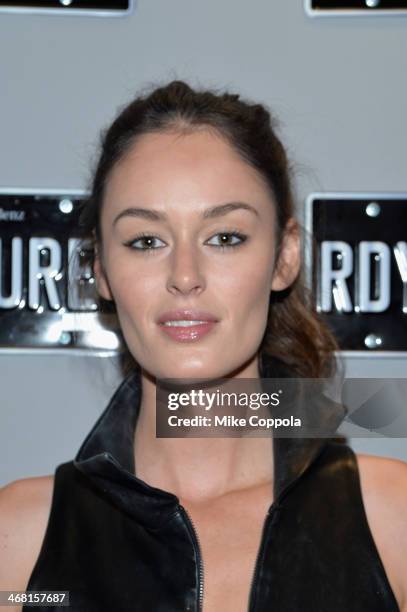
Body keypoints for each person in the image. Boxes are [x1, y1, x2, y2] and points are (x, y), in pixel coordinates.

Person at [1, 80, 406, 612]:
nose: (185, 276)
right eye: (146, 241)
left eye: (225, 237)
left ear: (284, 256)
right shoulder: (19, 545)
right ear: (101, 269)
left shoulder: (393, 520)